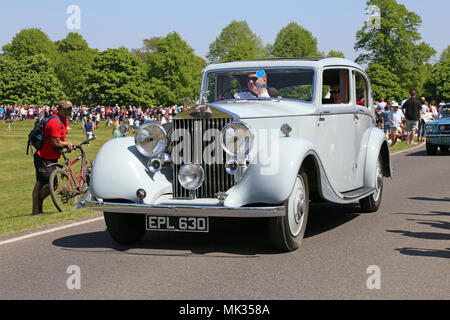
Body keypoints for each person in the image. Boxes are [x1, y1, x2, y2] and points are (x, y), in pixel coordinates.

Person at [32, 100, 73, 215]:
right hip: (44, 157)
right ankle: (37, 206)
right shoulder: (55, 122)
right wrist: (66, 144)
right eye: (65, 109)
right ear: (59, 109)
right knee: (51, 184)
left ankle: (36, 210)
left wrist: (65, 144)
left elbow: (60, 139)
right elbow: (56, 143)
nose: (68, 111)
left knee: (40, 183)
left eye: (70, 109)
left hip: (50, 156)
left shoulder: (63, 121)